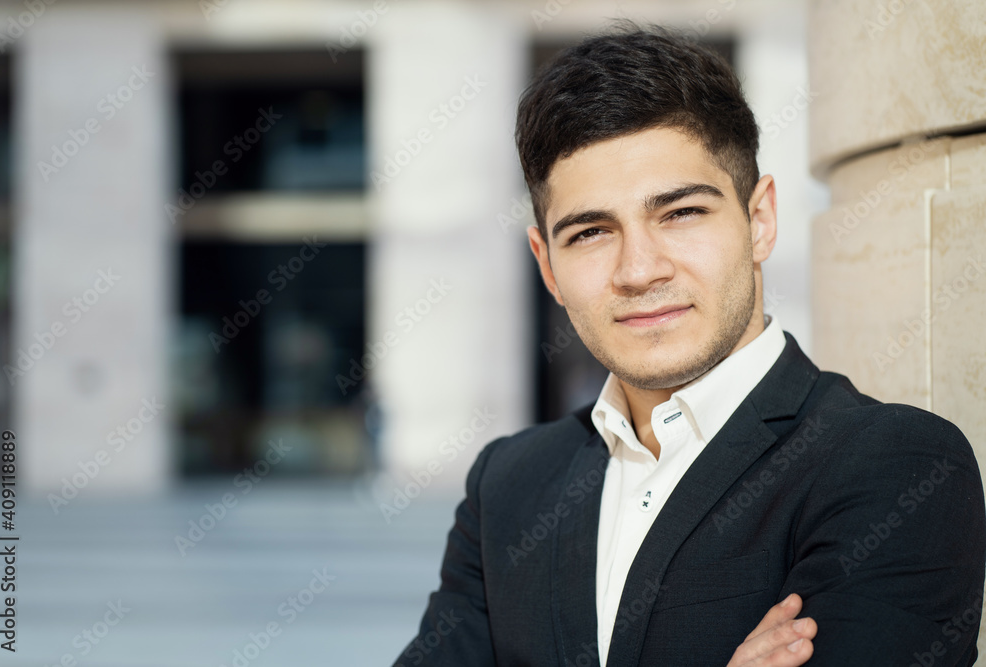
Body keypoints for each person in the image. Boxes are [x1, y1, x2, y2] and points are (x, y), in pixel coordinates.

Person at [395, 23, 986, 667]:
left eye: (680, 213)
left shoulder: (894, 465)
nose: (639, 270)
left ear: (759, 221)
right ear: (548, 267)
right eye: (591, 232)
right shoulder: (508, 486)